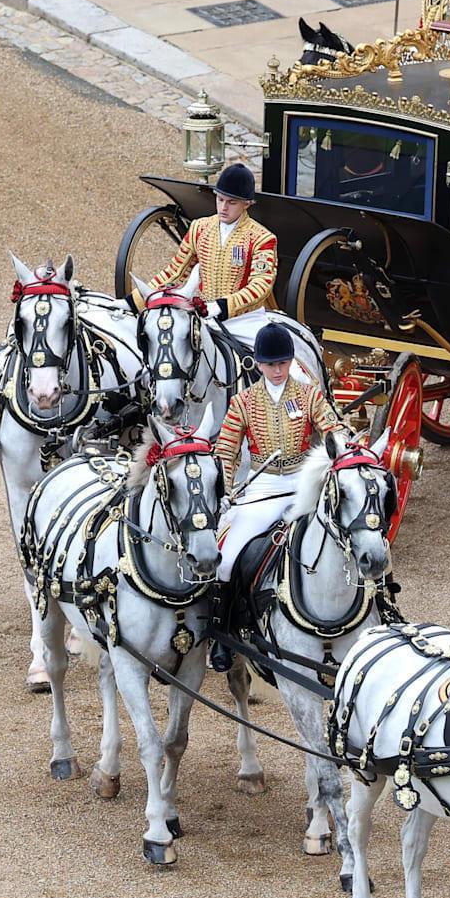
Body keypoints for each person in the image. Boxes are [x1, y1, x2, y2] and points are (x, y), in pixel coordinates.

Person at [210, 323, 344, 670]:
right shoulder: (243, 402)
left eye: (283, 362)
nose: (278, 369)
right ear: (259, 364)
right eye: (272, 364)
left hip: (303, 481)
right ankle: (222, 634)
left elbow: (332, 428)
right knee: (225, 559)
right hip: (265, 485)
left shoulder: (308, 394)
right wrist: (224, 490)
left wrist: (342, 452)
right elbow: (226, 450)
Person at [124, 162, 280, 350]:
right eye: (220, 199)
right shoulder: (200, 228)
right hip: (204, 317)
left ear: (247, 204)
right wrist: (133, 301)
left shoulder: (262, 238)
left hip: (246, 321)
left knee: (275, 362)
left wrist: (224, 306)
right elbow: (174, 271)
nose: (223, 207)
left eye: (231, 202)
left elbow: (261, 284)